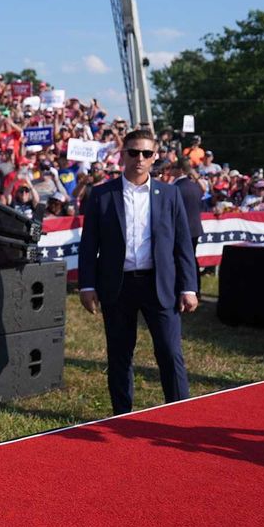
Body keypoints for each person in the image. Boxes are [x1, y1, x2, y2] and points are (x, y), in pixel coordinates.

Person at [77, 130, 198, 416]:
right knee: (120, 354)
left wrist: (189, 286)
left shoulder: (169, 194)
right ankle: (122, 415)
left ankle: (179, 413)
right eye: (133, 152)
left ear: (155, 157)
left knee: (169, 352)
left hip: (160, 284)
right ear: (123, 155)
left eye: (146, 153)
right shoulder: (102, 194)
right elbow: (89, 244)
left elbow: (183, 243)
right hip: (117, 286)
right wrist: (86, 285)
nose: (139, 159)